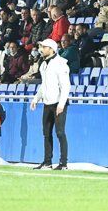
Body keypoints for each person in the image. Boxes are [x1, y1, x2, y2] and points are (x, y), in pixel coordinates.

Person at [30, 39, 71, 170]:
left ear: (52, 49)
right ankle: (47, 162)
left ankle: (63, 163)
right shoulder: (43, 65)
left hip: (59, 103)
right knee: (46, 133)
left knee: (60, 133)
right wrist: (36, 98)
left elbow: (66, 86)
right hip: (47, 103)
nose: (41, 49)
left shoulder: (61, 64)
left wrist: (61, 104)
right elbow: (44, 85)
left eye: (44, 47)